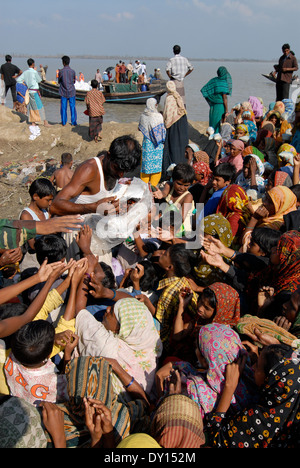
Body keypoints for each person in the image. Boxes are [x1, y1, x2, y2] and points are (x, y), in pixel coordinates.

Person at [205, 343, 300, 448]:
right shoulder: (291, 395)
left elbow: (215, 438)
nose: (252, 367)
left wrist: (229, 387)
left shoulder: (259, 420)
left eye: (258, 366)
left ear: (271, 379)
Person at [50, 135, 141, 216]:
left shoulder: (115, 168)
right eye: (117, 169)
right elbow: (55, 206)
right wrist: (94, 208)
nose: (120, 175)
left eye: (125, 171)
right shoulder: (89, 170)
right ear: (108, 156)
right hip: (77, 228)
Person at [161, 81, 189, 177]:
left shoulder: (169, 98)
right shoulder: (178, 96)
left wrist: (165, 124)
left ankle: (172, 168)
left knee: (173, 146)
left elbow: (167, 114)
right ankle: (183, 166)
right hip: (182, 123)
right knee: (182, 146)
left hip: (172, 125)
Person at [138, 98, 166, 186]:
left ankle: (144, 185)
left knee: (146, 165)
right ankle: (153, 186)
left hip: (147, 144)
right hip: (157, 145)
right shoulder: (158, 116)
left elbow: (139, 128)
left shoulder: (143, 116)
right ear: (155, 105)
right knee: (156, 166)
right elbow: (162, 131)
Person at [17, 58, 50, 127]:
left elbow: (18, 80)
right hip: (34, 91)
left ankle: (33, 122)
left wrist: (25, 84)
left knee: (32, 107)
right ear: (33, 64)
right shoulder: (34, 72)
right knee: (40, 106)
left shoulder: (25, 72)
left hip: (30, 91)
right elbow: (39, 80)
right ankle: (45, 122)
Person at [201, 66, 232, 133]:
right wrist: (226, 110)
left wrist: (211, 101)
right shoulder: (224, 83)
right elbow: (225, 98)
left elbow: (204, 90)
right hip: (220, 106)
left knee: (213, 121)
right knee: (219, 122)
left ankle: (211, 135)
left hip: (213, 106)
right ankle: (217, 137)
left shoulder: (214, 81)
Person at [58, 56, 77, 126]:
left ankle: (64, 122)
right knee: (72, 107)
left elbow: (59, 81)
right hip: (71, 91)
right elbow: (74, 81)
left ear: (63, 63)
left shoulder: (61, 71)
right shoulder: (72, 71)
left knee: (63, 107)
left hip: (63, 91)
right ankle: (73, 122)